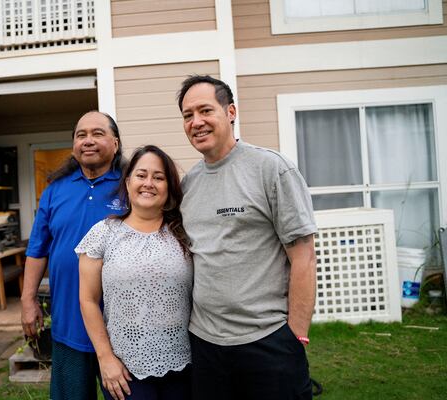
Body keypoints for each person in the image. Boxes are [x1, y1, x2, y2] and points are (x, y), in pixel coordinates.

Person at [177, 75, 318, 399]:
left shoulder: (272, 169)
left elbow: (304, 256)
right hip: (206, 344)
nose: (196, 122)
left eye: (205, 111)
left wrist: (296, 336)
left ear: (231, 112)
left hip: (268, 342)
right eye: (187, 115)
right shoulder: (190, 184)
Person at [21, 111, 125, 400]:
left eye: (97, 133)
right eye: (81, 135)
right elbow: (37, 249)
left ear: (115, 143)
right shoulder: (55, 191)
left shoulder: (130, 186)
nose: (88, 141)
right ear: (73, 146)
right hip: (69, 322)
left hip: (120, 327)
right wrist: (28, 299)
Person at [76, 145, 193, 400]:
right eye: (141, 175)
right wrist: (105, 358)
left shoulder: (185, 233)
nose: (148, 183)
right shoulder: (103, 233)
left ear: (169, 187)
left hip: (186, 365)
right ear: (128, 182)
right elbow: (88, 300)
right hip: (125, 370)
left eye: (158, 177)